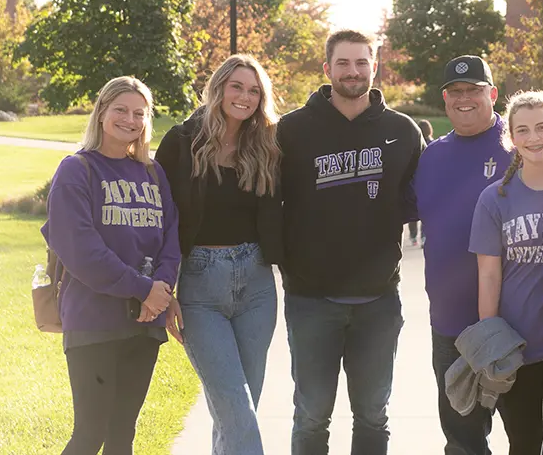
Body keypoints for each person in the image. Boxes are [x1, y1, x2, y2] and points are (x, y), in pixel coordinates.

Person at [277, 29, 424, 455]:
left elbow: (420, 199)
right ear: (327, 69)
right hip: (311, 300)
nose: (353, 71)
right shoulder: (292, 130)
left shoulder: (403, 131)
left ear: (374, 67)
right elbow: (267, 201)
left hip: (378, 301)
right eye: (343, 63)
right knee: (311, 415)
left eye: (362, 62)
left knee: (373, 414)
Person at [42, 76, 179, 455]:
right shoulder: (76, 170)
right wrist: (142, 288)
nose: (130, 119)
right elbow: (81, 250)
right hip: (94, 320)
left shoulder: (153, 173)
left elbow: (171, 237)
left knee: (123, 435)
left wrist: (161, 290)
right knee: (91, 434)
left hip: (145, 322)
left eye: (139, 113)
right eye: (120, 109)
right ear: (102, 112)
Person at [155, 54, 282, 455]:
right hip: (200, 285)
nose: (245, 97)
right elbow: (159, 219)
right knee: (236, 408)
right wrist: (163, 288)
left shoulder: (264, 143)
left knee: (237, 414)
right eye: (237, 86)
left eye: (254, 90)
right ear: (218, 88)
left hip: (257, 284)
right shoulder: (180, 141)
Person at [469, 91, 543, 455]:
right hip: (515, 345)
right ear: (510, 138)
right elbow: (489, 276)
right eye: (523, 130)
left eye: (542, 127)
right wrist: (492, 343)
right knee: (523, 443)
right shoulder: (495, 198)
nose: (534, 138)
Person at [410, 55, 517, 455]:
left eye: (474, 90)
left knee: (533, 438)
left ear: (492, 94)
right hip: (451, 325)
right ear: (445, 99)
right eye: (456, 92)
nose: (464, 99)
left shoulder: (519, 143)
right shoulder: (432, 156)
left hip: (517, 320)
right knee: (462, 440)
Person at [408, 119, 433, 247]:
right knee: (426, 212)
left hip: (416, 181)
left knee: (414, 210)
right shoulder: (433, 145)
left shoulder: (414, 145)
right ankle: (424, 236)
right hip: (430, 182)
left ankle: (413, 236)